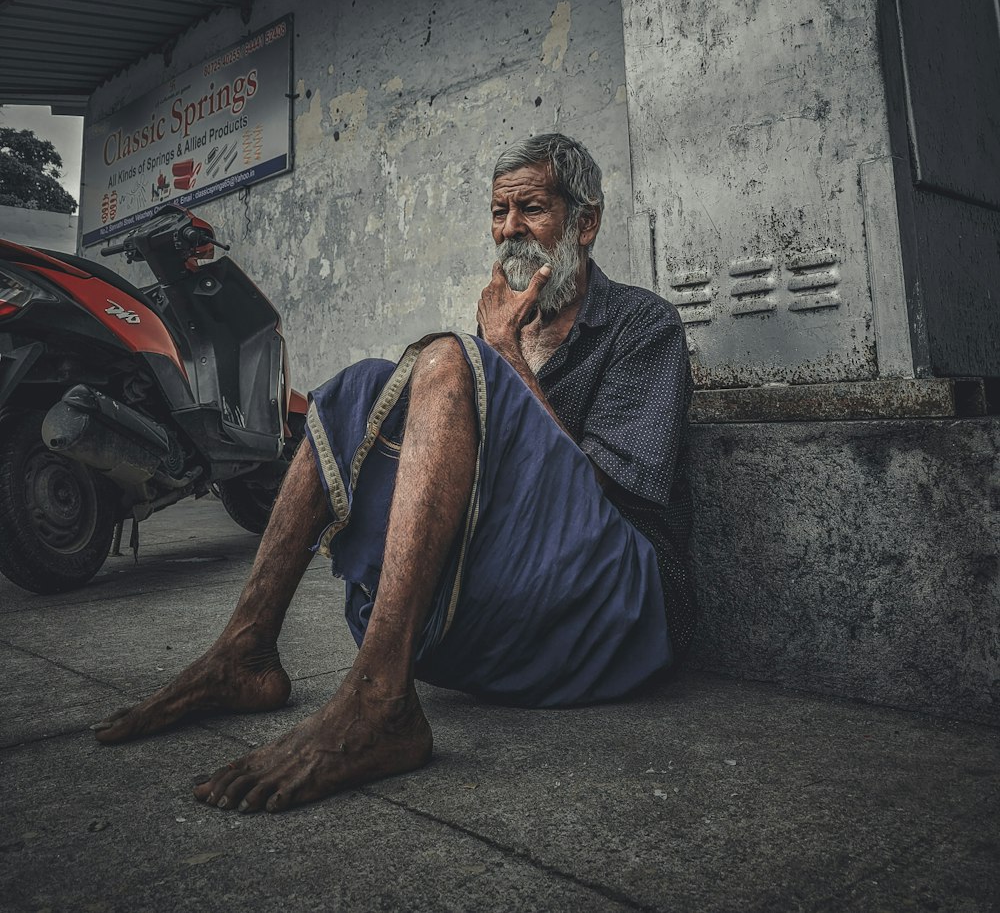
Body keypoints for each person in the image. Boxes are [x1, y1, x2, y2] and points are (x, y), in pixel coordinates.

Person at [93, 133, 694, 814]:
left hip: (616, 603)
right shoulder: (499, 327)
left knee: (445, 357)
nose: (508, 231)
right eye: (499, 212)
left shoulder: (644, 325)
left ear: (585, 223)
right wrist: (492, 352)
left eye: (530, 209)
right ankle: (246, 651)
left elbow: (607, 491)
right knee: (359, 387)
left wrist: (499, 353)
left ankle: (378, 700)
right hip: (512, 600)